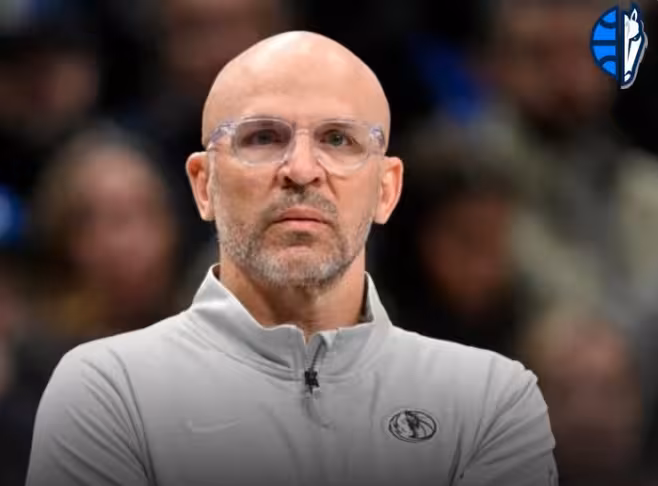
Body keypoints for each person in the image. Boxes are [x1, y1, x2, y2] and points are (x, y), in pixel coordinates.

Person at [26, 32, 557, 486]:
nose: (302, 169)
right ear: (204, 184)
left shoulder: (489, 400)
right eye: (263, 137)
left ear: (386, 190)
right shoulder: (108, 390)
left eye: (338, 139)